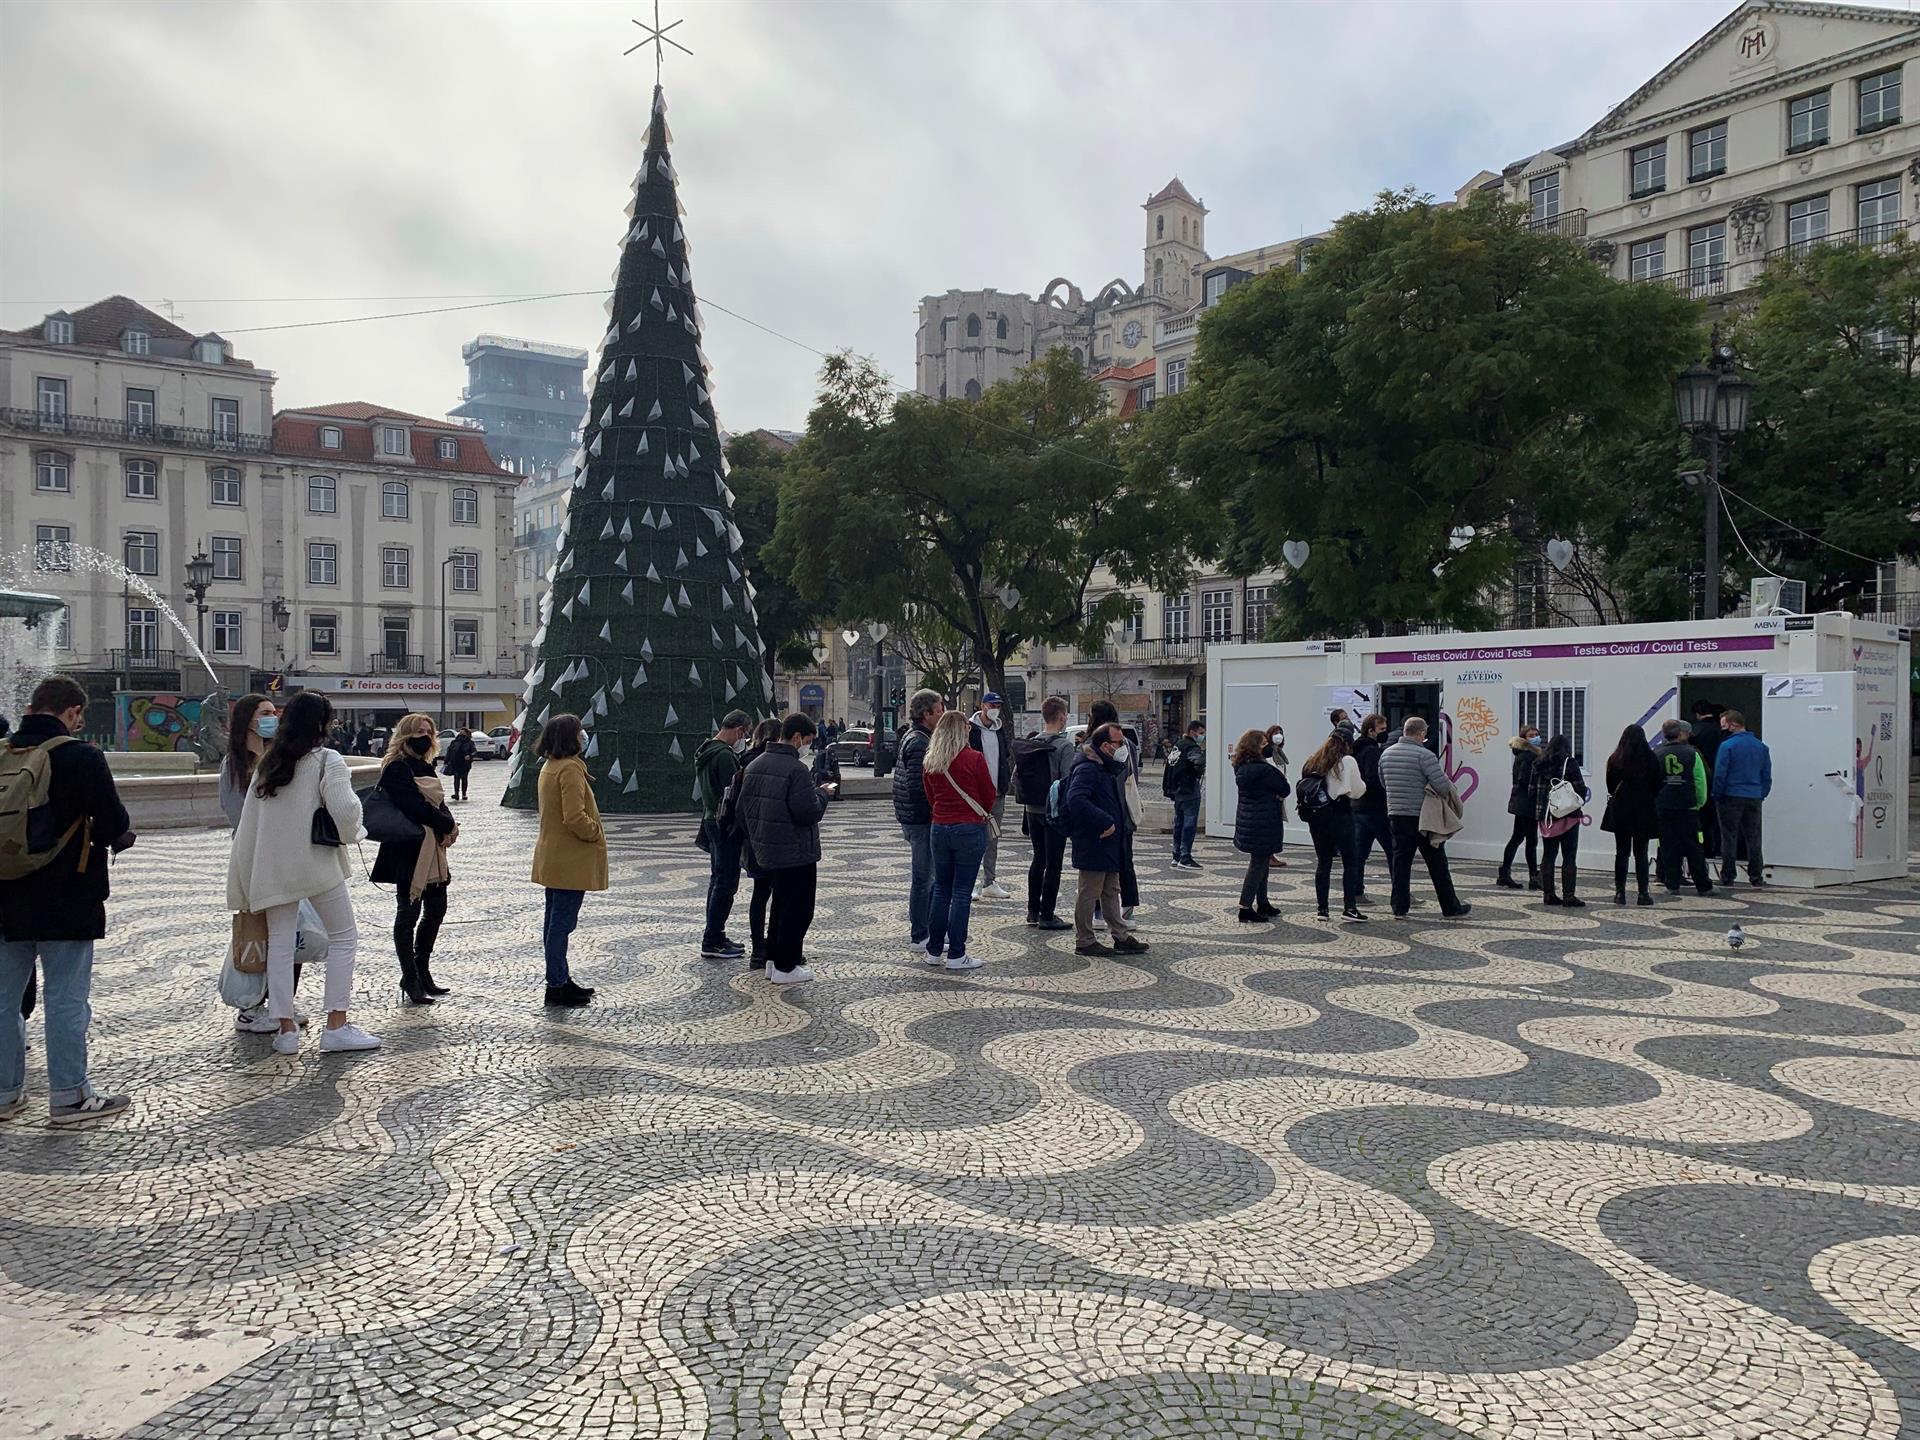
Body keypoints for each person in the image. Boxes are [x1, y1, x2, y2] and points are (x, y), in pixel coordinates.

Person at [0, 676, 135, 1123]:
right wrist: (119, 835)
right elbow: (113, 820)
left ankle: (4, 1092)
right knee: (65, 998)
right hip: (67, 895)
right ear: (73, 712)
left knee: (2, 998)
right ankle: (70, 1096)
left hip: (5, 893)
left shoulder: (3, 752)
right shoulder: (80, 756)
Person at [228, 690, 376, 1056]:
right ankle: (336, 1026)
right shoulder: (327, 760)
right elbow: (345, 810)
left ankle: (286, 1031)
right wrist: (353, 833)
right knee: (344, 937)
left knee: (280, 945)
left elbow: (249, 824)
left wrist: (245, 877)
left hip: (272, 869)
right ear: (323, 725)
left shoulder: (268, 763)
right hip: (315, 866)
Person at [737, 713, 835, 984]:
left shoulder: (755, 764)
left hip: (767, 851)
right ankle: (785, 966)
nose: (808, 747)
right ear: (795, 737)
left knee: (779, 905)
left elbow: (742, 811)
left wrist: (759, 838)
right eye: (808, 741)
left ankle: (772, 960)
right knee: (799, 909)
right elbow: (808, 812)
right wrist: (822, 794)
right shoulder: (796, 769)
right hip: (796, 852)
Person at [370, 714, 457, 1005]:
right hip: (408, 850)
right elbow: (413, 806)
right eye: (419, 731)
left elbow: (438, 803)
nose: (425, 736)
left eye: (428, 732)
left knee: (436, 910)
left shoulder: (426, 765)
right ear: (405, 735)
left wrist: (450, 824)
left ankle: (422, 970)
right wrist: (445, 825)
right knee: (408, 914)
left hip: (433, 851)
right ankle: (409, 977)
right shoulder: (397, 767)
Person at [221, 693, 290, 1035]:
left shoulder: (278, 757)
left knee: (290, 933)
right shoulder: (234, 763)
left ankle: (282, 1004)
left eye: (274, 712)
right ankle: (250, 1007)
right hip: (253, 855)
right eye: (265, 713)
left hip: (285, 855)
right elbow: (236, 813)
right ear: (248, 720)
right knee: (258, 930)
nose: (272, 717)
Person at [530, 714, 604, 1007]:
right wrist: (595, 832)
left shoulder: (551, 765)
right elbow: (574, 816)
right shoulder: (570, 769)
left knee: (554, 922)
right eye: (579, 731)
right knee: (561, 924)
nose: (584, 736)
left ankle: (560, 978)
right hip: (570, 858)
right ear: (569, 737)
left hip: (554, 856)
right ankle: (557, 985)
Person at [1064, 724, 1147, 956]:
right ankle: (1085, 940)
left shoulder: (1108, 766)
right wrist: (1104, 821)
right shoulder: (1089, 767)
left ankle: (1120, 935)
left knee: (1111, 888)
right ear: (1105, 746)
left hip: (1110, 841)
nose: (1124, 747)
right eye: (1119, 743)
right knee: (1089, 890)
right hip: (1095, 838)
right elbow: (1076, 800)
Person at [922, 710, 997, 971]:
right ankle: (956, 954)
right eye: (966, 726)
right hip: (968, 827)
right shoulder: (973, 758)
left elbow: (930, 796)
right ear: (960, 730)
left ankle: (933, 951)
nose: (969, 730)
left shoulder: (931, 760)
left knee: (941, 889)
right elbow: (989, 795)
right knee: (962, 893)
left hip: (939, 826)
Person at [1378, 717, 1471, 920]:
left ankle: (1399, 907)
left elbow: (1383, 783)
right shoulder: (1425, 755)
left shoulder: (1386, 754)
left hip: (1396, 815)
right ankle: (1450, 907)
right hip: (1423, 818)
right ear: (1421, 733)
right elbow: (1443, 787)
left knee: (1401, 863)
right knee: (1437, 863)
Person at [695, 710, 753, 960]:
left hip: (710, 818)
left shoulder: (706, 750)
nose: (745, 739)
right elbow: (735, 792)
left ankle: (715, 933)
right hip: (725, 824)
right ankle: (713, 938)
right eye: (745, 734)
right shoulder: (724, 756)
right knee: (726, 882)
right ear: (739, 729)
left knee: (717, 879)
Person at [892, 689, 944, 958]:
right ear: (926, 715)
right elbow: (917, 786)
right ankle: (920, 935)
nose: (942, 714)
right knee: (923, 878)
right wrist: (935, 811)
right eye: (939, 711)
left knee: (930, 878)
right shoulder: (918, 742)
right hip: (920, 820)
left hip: (917, 818)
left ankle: (930, 932)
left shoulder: (919, 737)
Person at [1298, 728, 1368, 921]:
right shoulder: (1347, 761)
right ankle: (1350, 908)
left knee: (1324, 862)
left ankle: (1322, 909)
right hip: (1341, 815)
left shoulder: (1313, 760)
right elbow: (1357, 791)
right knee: (1350, 862)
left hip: (1317, 817)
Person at [1023, 697, 1075, 932]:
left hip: (1032, 809)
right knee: (1054, 864)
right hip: (1053, 812)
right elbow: (1068, 781)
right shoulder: (1064, 746)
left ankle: (1032, 910)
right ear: (1062, 717)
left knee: (1038, 859)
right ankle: (1048, 914)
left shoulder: (1032, 742)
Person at [1087, 700, 1142, 915]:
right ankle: (1128, 909)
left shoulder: (1093, 744)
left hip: (1103, 812)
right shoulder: (1129, 744)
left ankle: (1099, 910)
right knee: (1125, 860)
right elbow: (1134, 776)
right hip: (1125, 811)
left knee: (1100, 864)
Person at [735, 718, 781, 968]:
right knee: (778, 895)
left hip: (752, 840)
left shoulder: (745, 760)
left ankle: (757, 948)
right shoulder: (771, 763)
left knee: (760, 894)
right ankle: (774, 947)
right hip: (771, 839)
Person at [1231, 728, 1289, 923]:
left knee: (1262, 861)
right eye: (1264, 745)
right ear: (1256, 748)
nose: (1268, 748)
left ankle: (1262, 902)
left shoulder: (1240, 766)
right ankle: (1245, 907)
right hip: (1264, 821)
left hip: (1249, 821)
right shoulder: (1264, 770)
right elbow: (1285, 788)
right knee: (1258, 864)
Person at [1601, 723, 1661, 907]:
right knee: (1641, 853)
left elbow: (1610, 786)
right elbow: (1658, 784)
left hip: (1621, 809)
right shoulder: (1651, 759)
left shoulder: (1615, 759)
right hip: (1644, 809)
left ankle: (1620, 893)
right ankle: (1643, 894)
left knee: (1622, 852)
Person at [1652, 717, 1714, 896]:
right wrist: (1699, 802)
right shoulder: (1692, 753)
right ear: (1680, 733)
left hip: (1663, 806)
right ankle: (1703, 884)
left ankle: (1672, 883)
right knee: (1694, 846)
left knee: (1668, 845)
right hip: (1688, 806)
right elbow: (1700, 780)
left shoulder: (1657, 753)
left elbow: (1652, 780)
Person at [1711, 710, 1771, 887]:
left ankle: (1728, 875)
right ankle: (1756, 876)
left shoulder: (1727, 746)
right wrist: (1762, 793)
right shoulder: (1761, 746)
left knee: (1729, 836)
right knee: (1754, 837)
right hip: (1754, 796)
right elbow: (1766, 774)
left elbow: (1720, 774)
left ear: (1732, 724)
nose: (1723, 729)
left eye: (1724, 725)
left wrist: (1717, 794)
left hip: (1730, 795)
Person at [1531, 733, 1589, 907]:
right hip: (1568, 816)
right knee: (1569, 856)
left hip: (1547, 817)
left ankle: (1548, 894)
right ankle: (1569, 895)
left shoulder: (1538, 764)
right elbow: (1580, 788)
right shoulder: (1569, 764)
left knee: (1548, 855)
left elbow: (1531, 790)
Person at [967, 692, 1013, 901]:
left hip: (997, 793)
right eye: (992, 704)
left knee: (992, 838)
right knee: (973, 839)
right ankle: (969, 883)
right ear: (983, 705)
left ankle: (989, 881)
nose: (995, 708)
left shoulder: (999, 729)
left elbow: (1004, 758)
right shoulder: (970, 730)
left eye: (998, 705)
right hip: (975, 796)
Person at [1350, 713, 1393, 900]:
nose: (1385, 733)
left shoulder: (1354, 749)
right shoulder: (1371, 751)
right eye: (1382, 729)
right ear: (1371, 731)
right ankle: (1400, 893)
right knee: (1394, 851)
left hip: (1358, 806)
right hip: (1375, 809)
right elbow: (1373, 779)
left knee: (1359, 854)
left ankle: (1356, 891)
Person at [1496, 726, 1542, 890]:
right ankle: (1533, 877)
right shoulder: (1528, 757)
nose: (1536, 737)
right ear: (1525, 738)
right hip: (1526, 803)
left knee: (1517, 838)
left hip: (1521, 802)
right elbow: (1524, 779)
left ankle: (1504, 873)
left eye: (1537, 734)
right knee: (1531, 840)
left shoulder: (1525, 755)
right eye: (1532, 735)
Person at [1690, 700, 1726, 861]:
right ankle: (1720, 850)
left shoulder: (1695, 732)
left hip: (1702, 778)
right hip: (1722, 778)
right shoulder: (1723, 730)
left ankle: (1704, 849)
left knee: (1702, 819)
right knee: (1720, 819)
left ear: (1697, 714)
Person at [1167, 719, 1206, 869]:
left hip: (1177, 790)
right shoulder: (1191, 747)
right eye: (1201, 733)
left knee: (1179, 823)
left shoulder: (1177, 746)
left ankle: (1176, 855)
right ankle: (1185, 856)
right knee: (1189, 824)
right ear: (1192, 732)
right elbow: (1198, 762)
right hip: (1189, 789)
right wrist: (1197, 772)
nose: (1202, 736)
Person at [443, 725, 477, 802]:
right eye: (460, 733)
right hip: (455, 762)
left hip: (465, 764)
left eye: (463, 733)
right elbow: (449, 751)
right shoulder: (454, 742)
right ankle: (456, 794)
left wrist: (470, 756)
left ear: (467, 734)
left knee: (464, 779)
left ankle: (464, 794)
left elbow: (474, 751)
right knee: (456, 778)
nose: (461, 734)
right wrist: (446, 760)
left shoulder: (469, 742)